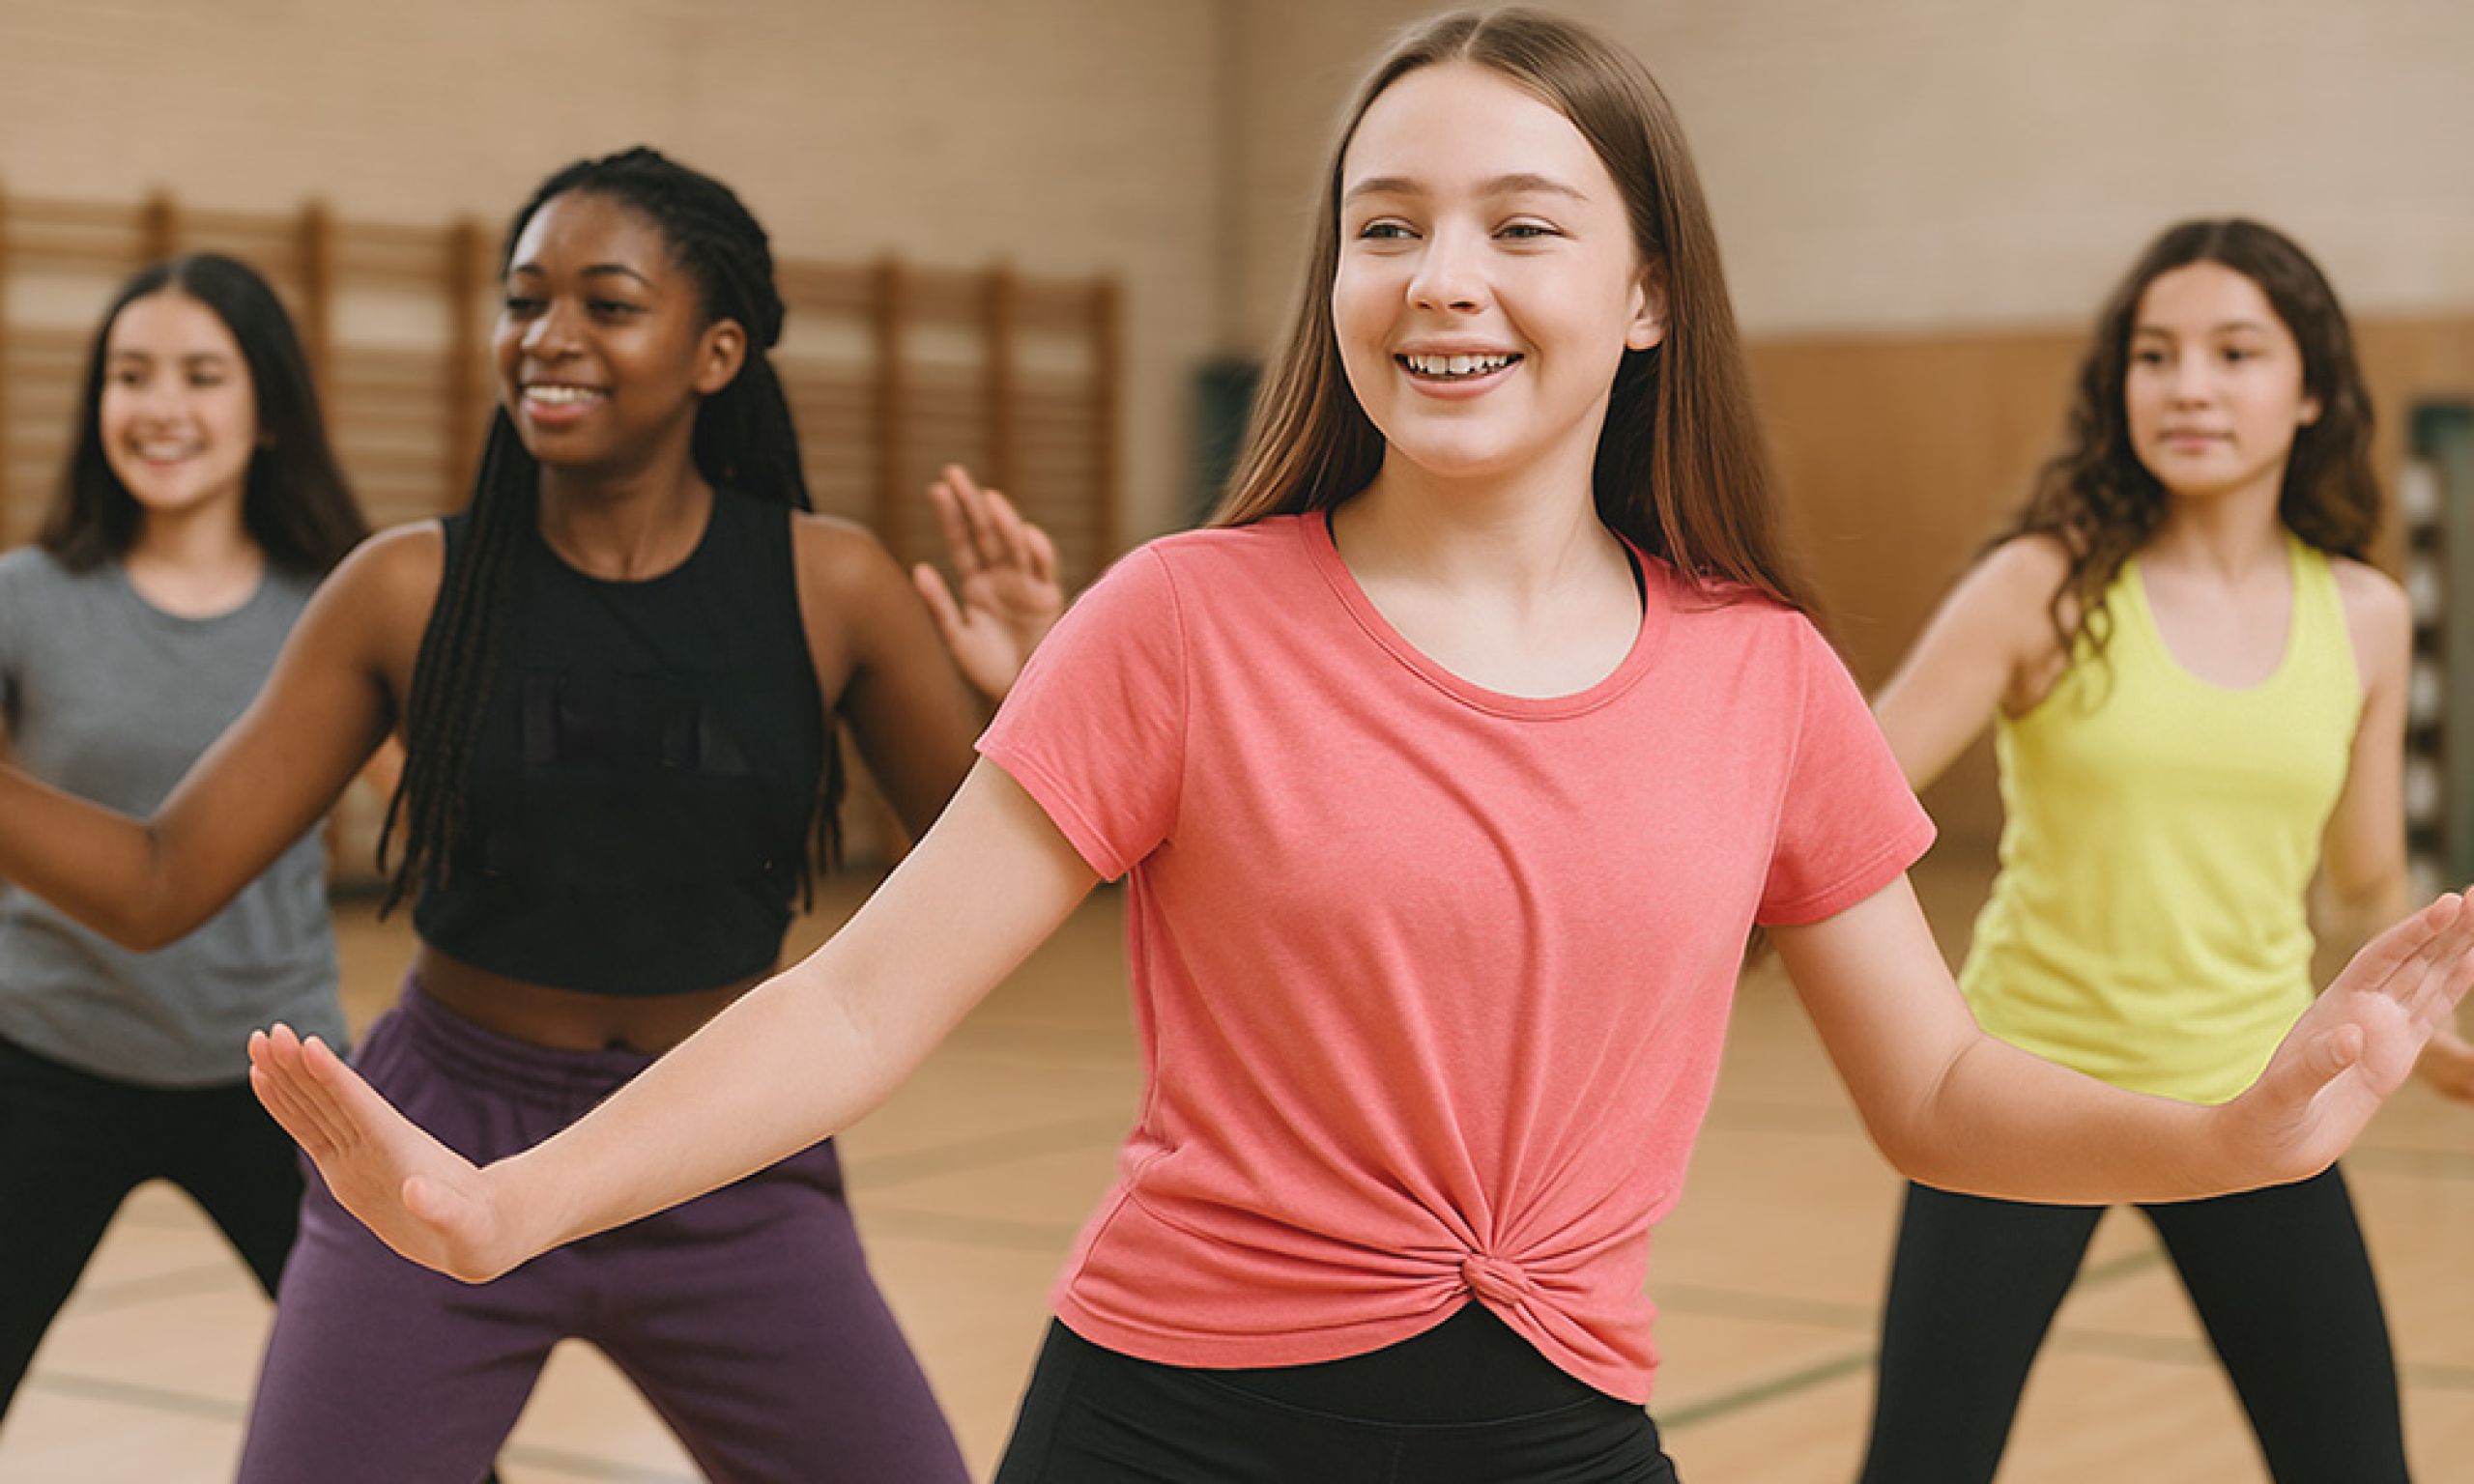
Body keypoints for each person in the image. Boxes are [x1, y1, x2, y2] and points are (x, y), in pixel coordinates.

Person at [245, 16, 2474, 1484]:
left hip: (1558, 1429)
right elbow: (853, 1003)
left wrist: (2228, 1135)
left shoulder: (1761, 676)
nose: (1438, 278)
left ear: (1643, 294)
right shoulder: (1179, 620)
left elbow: (1941, 1094)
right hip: (1161, 1426)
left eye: (1520, 226)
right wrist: (506, 1199)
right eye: (1383, 227)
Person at [0, 148, 1058, 1483]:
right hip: (443, 1138)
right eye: (522, 301)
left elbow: (985, 886)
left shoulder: (832, 585)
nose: (548, 336)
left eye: (606, 304)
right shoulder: (403, 591)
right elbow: (162, 880)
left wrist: (1043, 697)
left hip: (724, 1142)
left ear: (718, 351)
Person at [1856, 218, 2473, 1484]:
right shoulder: (2043, 585)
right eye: (2155, 354)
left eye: (2235, 353)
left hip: (2254, 1094)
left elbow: (2363, 878)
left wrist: (2433, 1023)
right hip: (2021, 1099)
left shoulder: (2365, 614)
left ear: (2311, 390)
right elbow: (1837, 812)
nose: (2188, 385)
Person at [0, 252, 371, 1423]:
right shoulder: (26, 597)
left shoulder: (339, 609)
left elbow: (454, 817)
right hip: (44, 1057)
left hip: (279, 1072)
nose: (160, 407)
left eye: (202, 376)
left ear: (269, 411)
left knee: (402, 1406)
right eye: (130, 375)